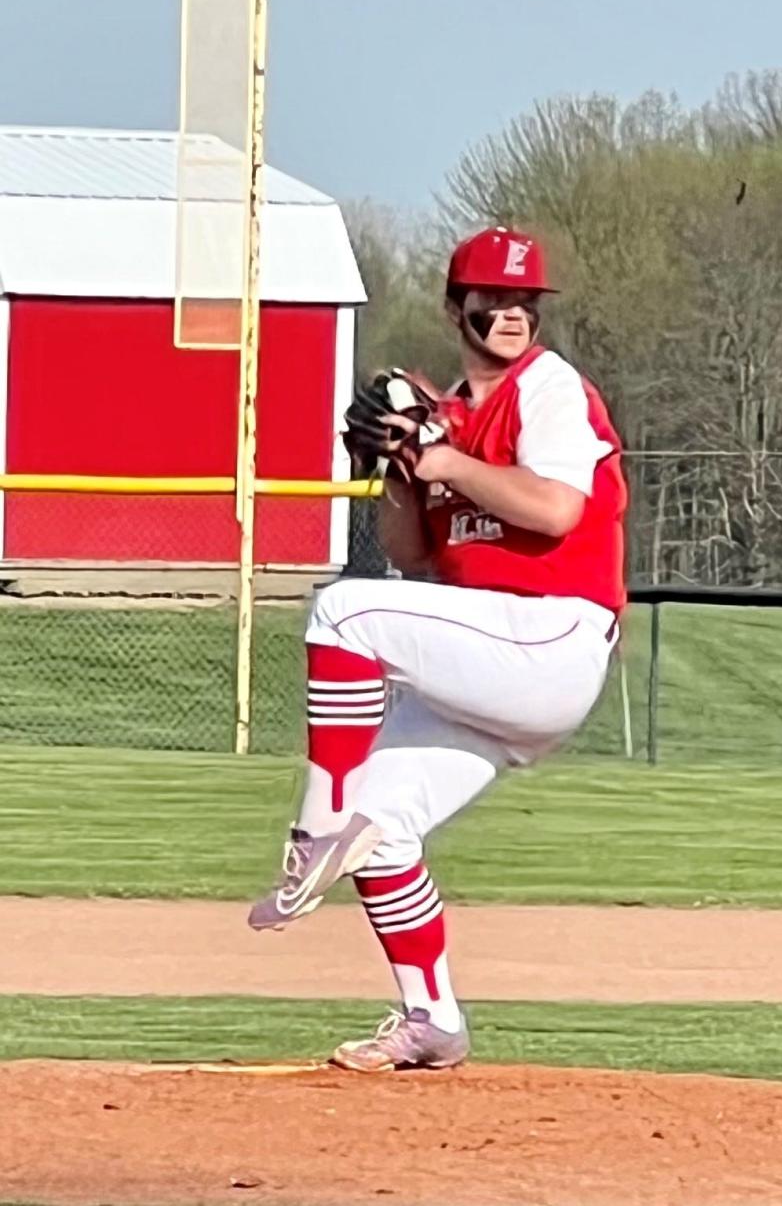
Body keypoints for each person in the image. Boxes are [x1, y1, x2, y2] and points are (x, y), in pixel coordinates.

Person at [249, 227, 627, 1072]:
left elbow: (558, 510)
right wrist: (397, 463)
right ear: (458, 308)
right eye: (493, 298)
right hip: (488, 667)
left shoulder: (548, 388)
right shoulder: (445, 417)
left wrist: (442, 456)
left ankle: (315, 826)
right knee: (382, 830)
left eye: (526, 299)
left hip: (552, 630)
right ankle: (432, 1019)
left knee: (343, 612)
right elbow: (415, 557)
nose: (512, 313)